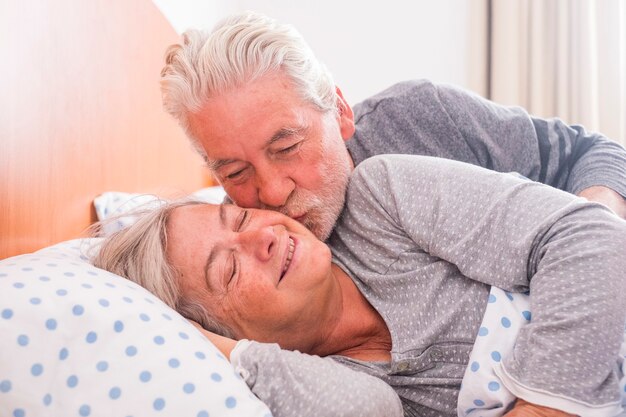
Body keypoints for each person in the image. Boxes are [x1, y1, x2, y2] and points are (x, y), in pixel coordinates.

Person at [93, 154, 626, 417]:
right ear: (219, 328)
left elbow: (592, 236)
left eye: (238, 219)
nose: (264, 238)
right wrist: (220, 351)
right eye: (228, 272)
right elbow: (371, 410)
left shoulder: (380, 200)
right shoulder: (331, 381)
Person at [159, 11, 626, 242]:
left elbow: (593, 153)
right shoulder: (238, 247)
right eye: (236, 173)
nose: (273, 193)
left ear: (339, 111)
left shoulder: (420, 116)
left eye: (286, 147)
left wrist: (593, 231)